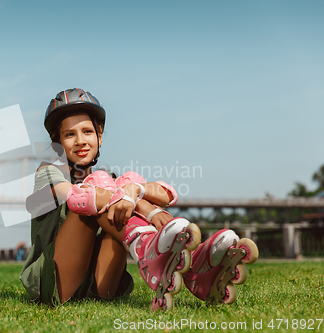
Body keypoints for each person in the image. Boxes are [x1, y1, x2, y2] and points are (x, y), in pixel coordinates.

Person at [19, 88, 258, 310]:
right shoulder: (48, 172)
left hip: (100, 286)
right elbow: (74, 196)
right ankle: (157, 252)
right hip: (55, 283)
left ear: (100, 136)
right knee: (91, 203)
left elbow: (153, 194)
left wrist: (139, 199)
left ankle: (195, 268)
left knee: (117, 191)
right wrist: (141, 205)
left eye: (88, 131)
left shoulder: (108, 179)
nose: (80, 140)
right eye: (69, 134)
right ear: (58, 143)